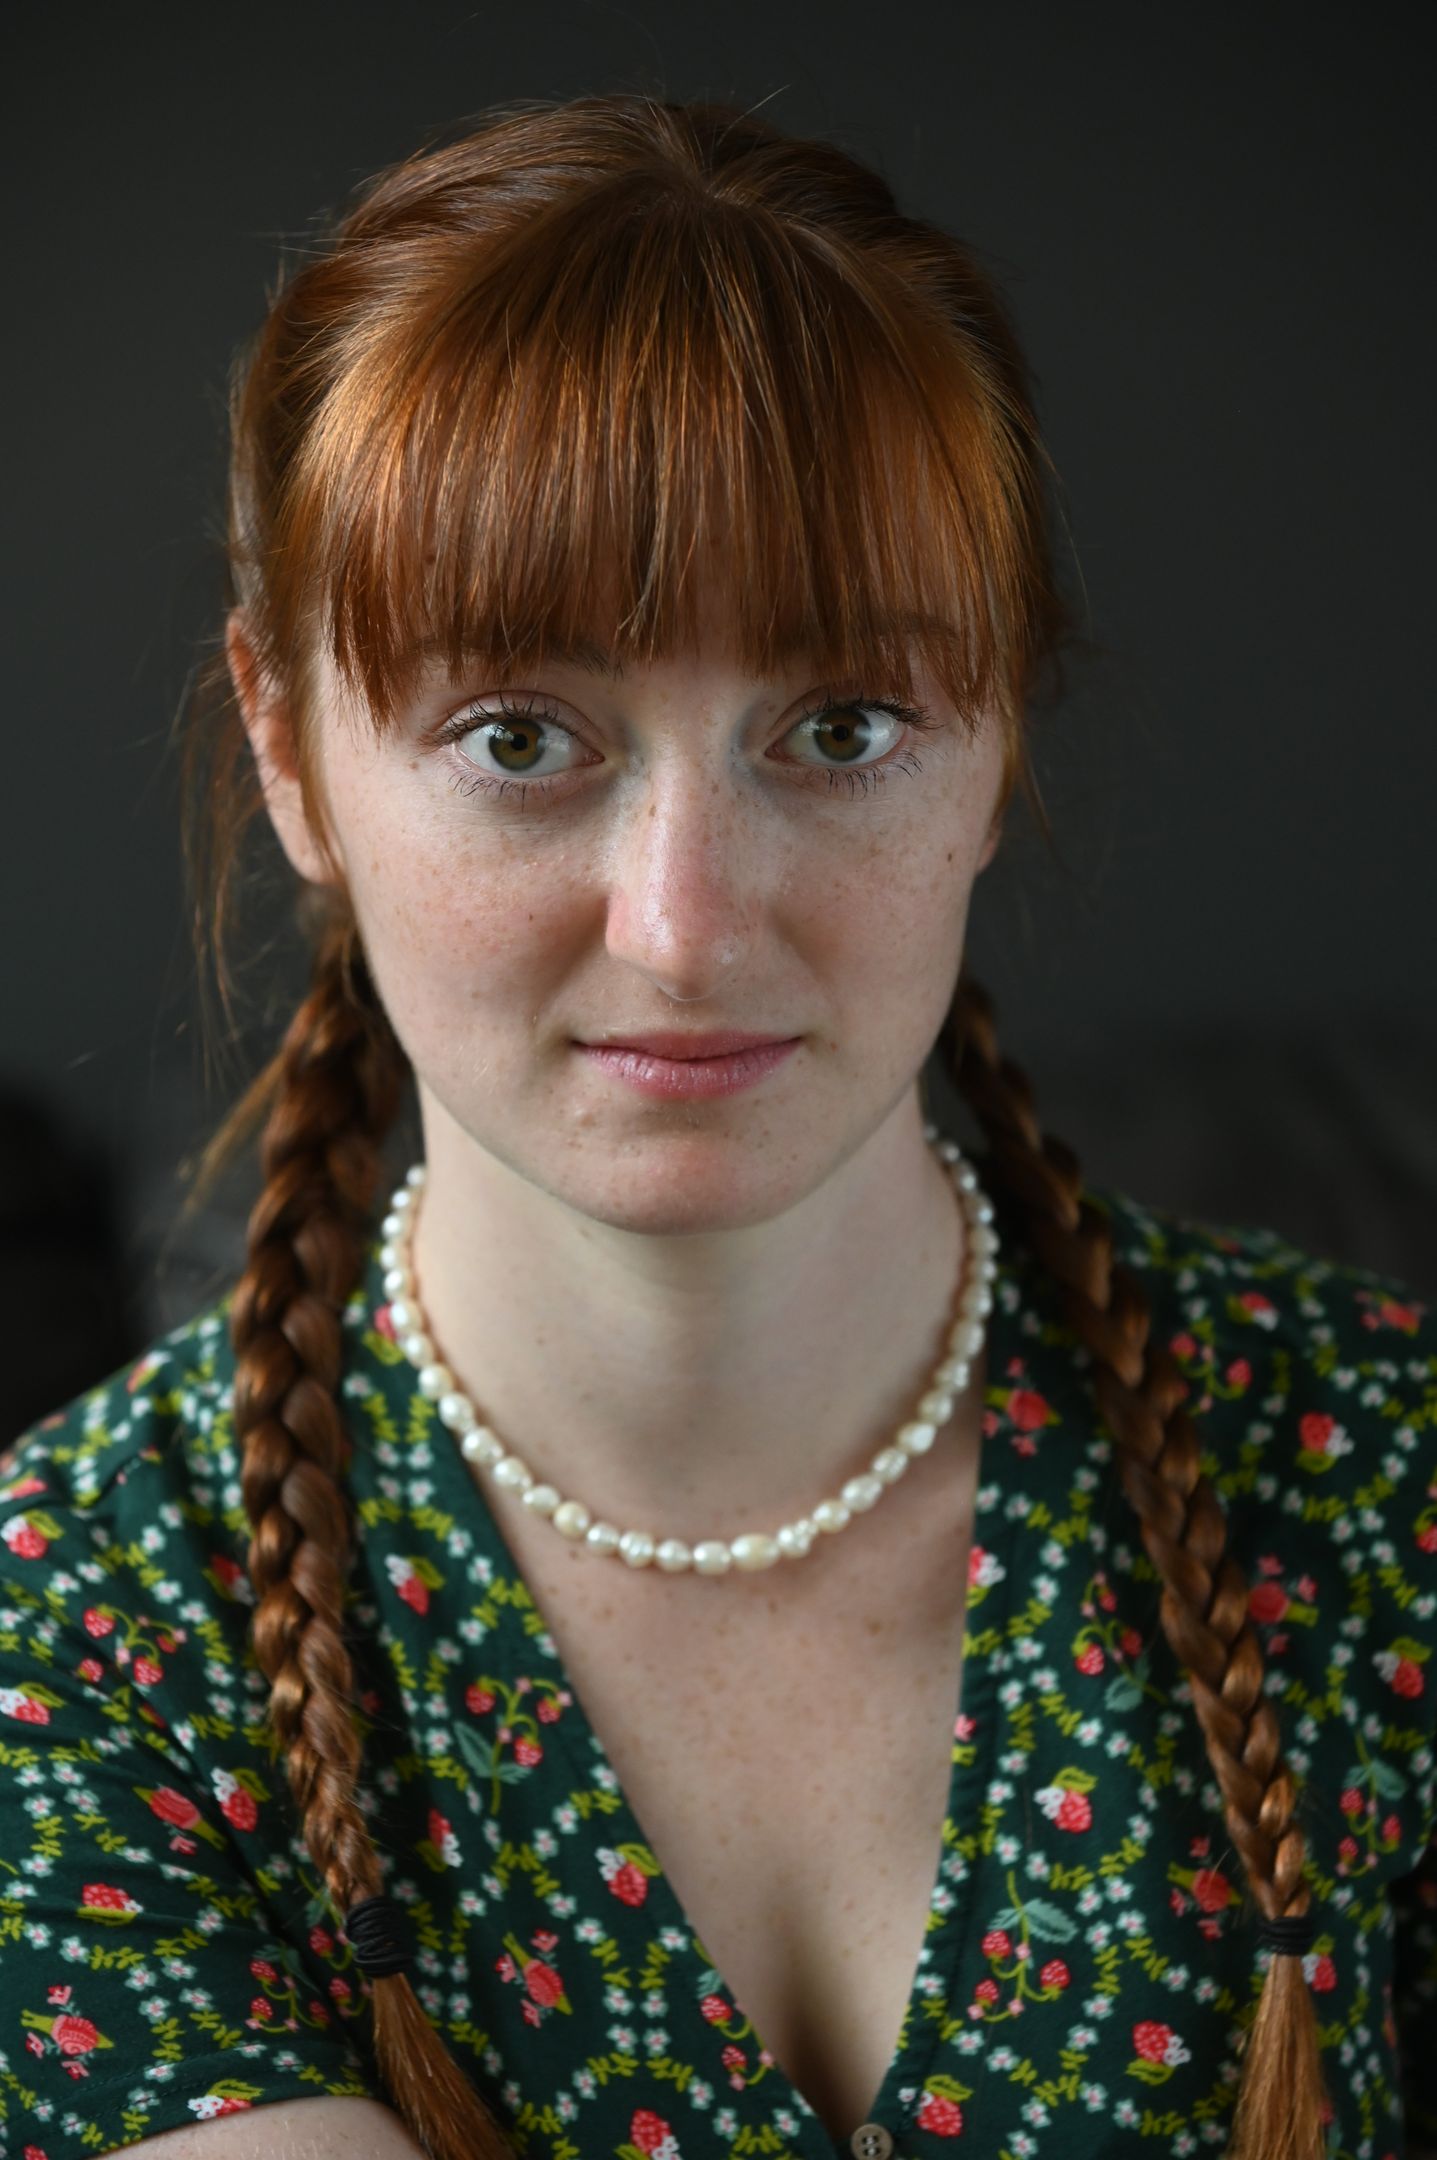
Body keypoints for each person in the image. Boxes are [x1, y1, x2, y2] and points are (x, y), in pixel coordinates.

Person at [1, 90, 1433, 2160]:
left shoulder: (1378, 1482)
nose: (683, 928)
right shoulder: (74, 1643)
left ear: (993, 745)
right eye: (518, 738)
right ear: (289, 754)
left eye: (840, 727)